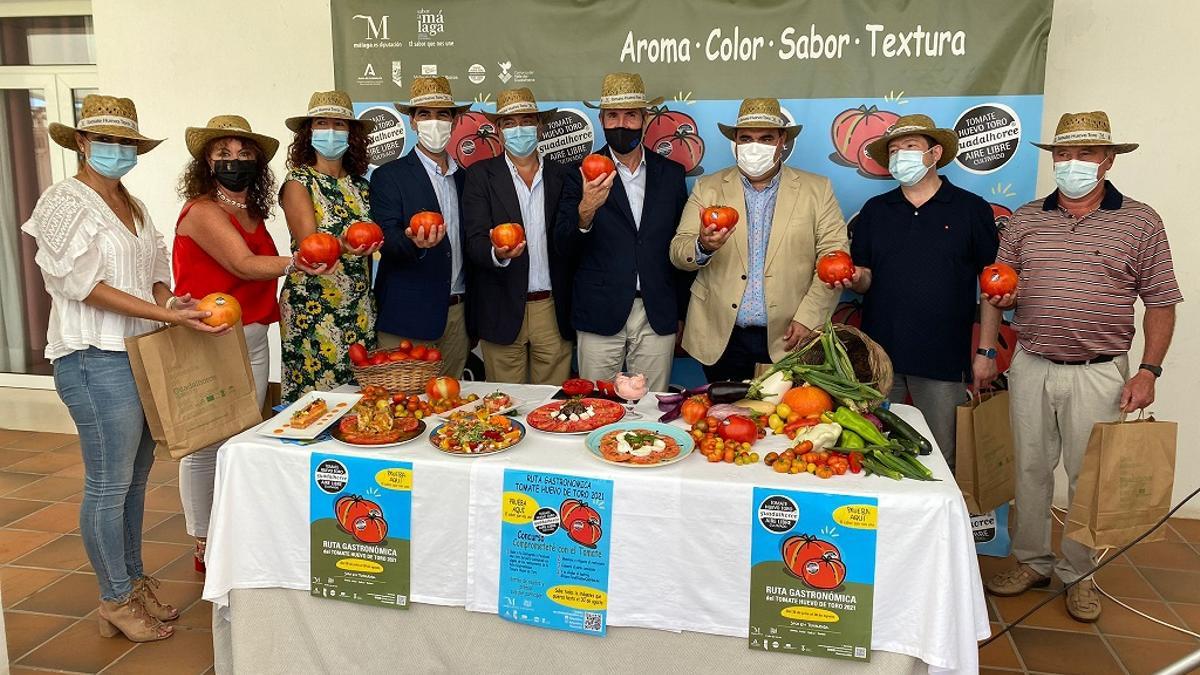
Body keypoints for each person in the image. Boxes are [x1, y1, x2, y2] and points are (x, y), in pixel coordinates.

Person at [22, 95, 223, 642]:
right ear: (81, 144)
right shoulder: (64, 202)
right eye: (105, 140)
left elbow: (155, 266)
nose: (116, 151)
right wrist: (161, 312)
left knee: (135, 481)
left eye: (126, 143)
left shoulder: (131, 203)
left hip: (137, 354)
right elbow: (82, 286)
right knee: (108, 485)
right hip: (92, 358)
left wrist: (171, 301)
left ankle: (131, 584)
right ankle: (114, 598)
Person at [978, 111, 1182, 622]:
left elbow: (1160, 301)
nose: (1072, 163)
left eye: (1086, 153)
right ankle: (1031, 561)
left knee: (1088, 477)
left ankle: (1080, 574)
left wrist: (1149, 371)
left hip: (1100, 369)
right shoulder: (1025, 219)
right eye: (1063, 154)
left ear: (1108, 160)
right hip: (1031, 362)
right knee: (1028, 467)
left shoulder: (1141, 220)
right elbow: (995, 291)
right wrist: (985, 352)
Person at [173, 115, 330, 573]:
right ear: (206, 162)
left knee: (238, 433)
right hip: (214, 336)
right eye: (223, 154)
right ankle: (204, 541)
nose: (235, 162)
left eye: (244, 155)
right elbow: (243, 264)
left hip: (254, 335)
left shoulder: (251, 211)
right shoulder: (202, 211)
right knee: (206, 443)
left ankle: (229, 527)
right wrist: (298, 262)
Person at [829, 114, 999, 470]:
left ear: (934, 153)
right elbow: (866, 280)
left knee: (939, 458)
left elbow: (993, 287)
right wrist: (852, 277)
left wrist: (985, 350)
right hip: (878, 360)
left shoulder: (971, 209)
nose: (900, 155)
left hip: (943, 360)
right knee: (871, 453)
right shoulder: (876, 211)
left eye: (910, 146)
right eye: (894, 150)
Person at [670, 98, 847, 382]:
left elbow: (834, 258)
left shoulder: (817, 189)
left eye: (766, 138)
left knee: (785, 422)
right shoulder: (708, 187)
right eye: (746, 138)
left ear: (782, 141)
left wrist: (809, 317)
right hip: (719, 336)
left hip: (789, 336)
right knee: (720, 421)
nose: (755, 146)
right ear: (736, 143)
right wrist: (703, 246)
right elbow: (679, 251)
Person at [556, 72, 689, 392]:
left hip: (656, 312)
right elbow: (562, 244)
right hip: (599, 311)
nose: (621, 124)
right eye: (613, 115)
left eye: (631, 115)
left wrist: (682, 312)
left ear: (644, 119)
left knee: (653, 408)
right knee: (595, 407)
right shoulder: (577, 174)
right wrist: (586, 208)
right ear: (601, 119)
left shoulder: (671, 174)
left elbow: (681, 243)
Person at [461, 88, 574, 384]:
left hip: (552, 308)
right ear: (498, 130)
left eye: (526, 121)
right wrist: (497, 253)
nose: (518, 129)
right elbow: (473, 241)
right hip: (500, 305)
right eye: (509, 123)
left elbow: (572, 240)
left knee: (551, 406)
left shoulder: (564, 175)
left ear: (539, 126)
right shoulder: (479, 176)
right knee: (506, 406)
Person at [279, 91, 381, 400]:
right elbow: (312, 245)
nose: (332, 131)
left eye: (339, 124)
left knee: (360, 397)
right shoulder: (298, 182)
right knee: (317, 401)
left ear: (352, 135)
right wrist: (350, 244)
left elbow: (376, 238)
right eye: (323, 123)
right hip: (313, 307)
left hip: (358, 304)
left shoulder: (361, 186)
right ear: (309, 133)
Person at [370, 76, 472, 376]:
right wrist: (414, 242)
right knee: (404, 411)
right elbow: (384, 237)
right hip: (407, 316)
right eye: (424, 114)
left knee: (451, 405)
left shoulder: (466, 179)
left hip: (458, 315)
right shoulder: (389, 177)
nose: (434, 122)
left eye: (442, 114)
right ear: (412, 122)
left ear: (454, 121)